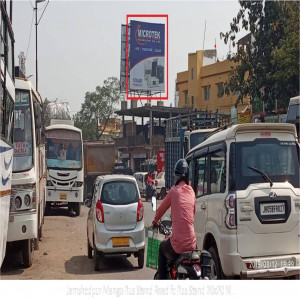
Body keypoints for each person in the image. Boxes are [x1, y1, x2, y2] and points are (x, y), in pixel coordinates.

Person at [152, 159, 196, 279]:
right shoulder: (192, 191)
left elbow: (160, 210)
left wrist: (155, 221)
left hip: (178, 246)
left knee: (162, 247)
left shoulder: (173, 191)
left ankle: (162, 281)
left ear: (176, 176)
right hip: (192, 245)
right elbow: (193, 213)